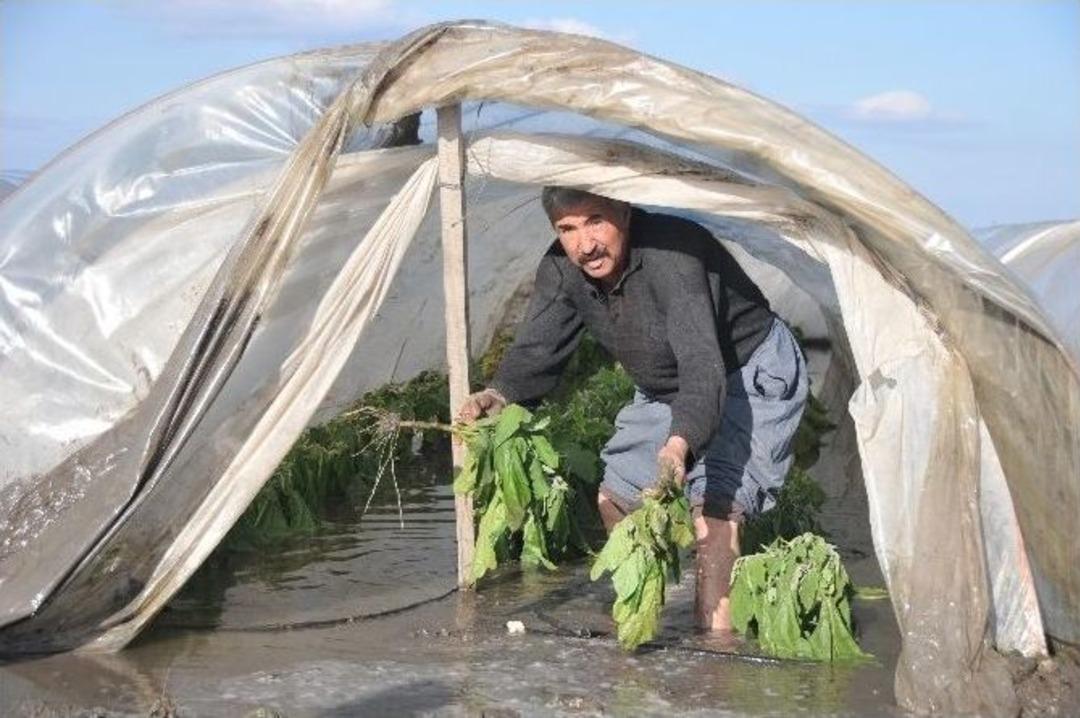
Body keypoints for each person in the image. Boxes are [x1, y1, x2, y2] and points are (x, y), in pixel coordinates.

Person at [457, 187, 808, 631]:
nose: (585, 244)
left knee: (715, 510)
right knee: (615, 497)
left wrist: (678, 447)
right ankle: (647, 618)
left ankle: (716, 654)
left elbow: (703, 366)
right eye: (568, 229)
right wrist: (499, 395)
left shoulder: (671, 253)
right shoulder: (562, 268)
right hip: (666, 385)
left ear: (624, 210)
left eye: (595, 221)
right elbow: (538, 349)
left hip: (747, 370)